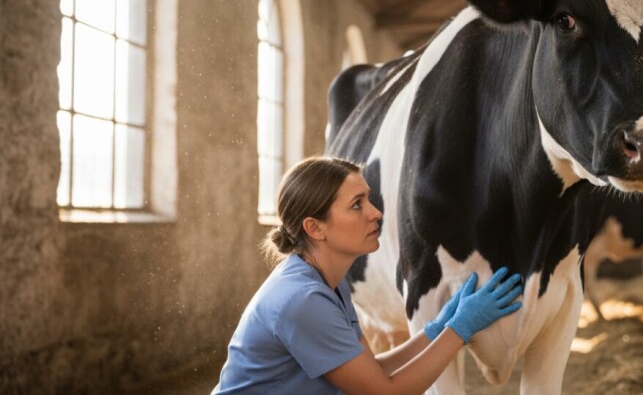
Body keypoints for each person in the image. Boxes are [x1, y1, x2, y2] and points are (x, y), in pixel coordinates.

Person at [213, 156, 523, 394]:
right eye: (357, 205)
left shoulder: (327, 282)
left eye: (368, 199)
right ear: (314, 227)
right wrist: (460, 328)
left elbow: (370, 370)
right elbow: (383, 392)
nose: (375, 212)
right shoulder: (303, 300)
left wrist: (436, 329)